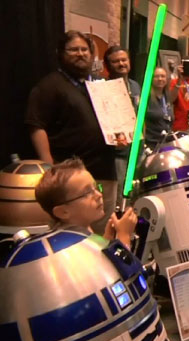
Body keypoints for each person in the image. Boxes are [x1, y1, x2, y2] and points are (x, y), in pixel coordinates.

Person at [25, 30, 117, 234]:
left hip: (104, 173)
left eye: (84, 49)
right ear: (61, 53)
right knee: (74, 235)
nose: (80, 53)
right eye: (74, 49)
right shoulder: (48, 87)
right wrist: (50, 169)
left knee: (103, 234)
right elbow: (36, 126)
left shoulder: (97, 86)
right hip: (73, 184)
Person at [34, 158, 137, 249]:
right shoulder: (72, 246)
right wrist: (124, 235)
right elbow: (121, 269)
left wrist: (108, 236)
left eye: (96, 187)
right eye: (87, 193)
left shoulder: (81, 230)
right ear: (63, 212)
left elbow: (100, 256)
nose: (99, 195)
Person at [103, 46, 141, 205]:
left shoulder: (135, 86)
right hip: (117, 154)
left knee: (136, 193)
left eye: (124, 60)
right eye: (116, 61)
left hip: (137, 149)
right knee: (119, 196)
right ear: (107, 65)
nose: (121, 64)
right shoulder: (104, 88)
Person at [145, 67, 174, 149]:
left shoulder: (167, 96)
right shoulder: (146, 97)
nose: (160, 79)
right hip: (151, 145)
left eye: (163, 76)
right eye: (156, 76)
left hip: (167, 143)